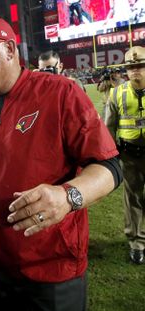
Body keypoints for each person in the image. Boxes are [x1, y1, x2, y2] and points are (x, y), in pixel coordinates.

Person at [0, 15, 122, 311]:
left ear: (10, 50)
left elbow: (110, 166)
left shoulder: (61, 92)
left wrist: (68, 196)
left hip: (54, 266)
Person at [104, 46, 145, 265]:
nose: (135, 70)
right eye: (131, 66)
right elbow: (108, 128)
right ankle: (136, 243)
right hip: (131, 156)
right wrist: (111, 157)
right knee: (133, 199)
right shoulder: (117, 92)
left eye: (140, 65)